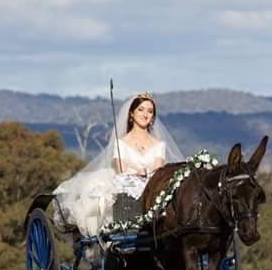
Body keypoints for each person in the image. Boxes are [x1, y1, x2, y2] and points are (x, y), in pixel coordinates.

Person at [53, 92, 184, 236]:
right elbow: (122, 169)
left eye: (150, 111)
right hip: (129, 182)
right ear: (132, 114)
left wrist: (149, 173)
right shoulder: (121, 143)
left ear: (153, 117)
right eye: (141, 109)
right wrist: (137, 172)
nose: (145, 114)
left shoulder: (159, 144)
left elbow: (159, 168)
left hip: (153, 184)